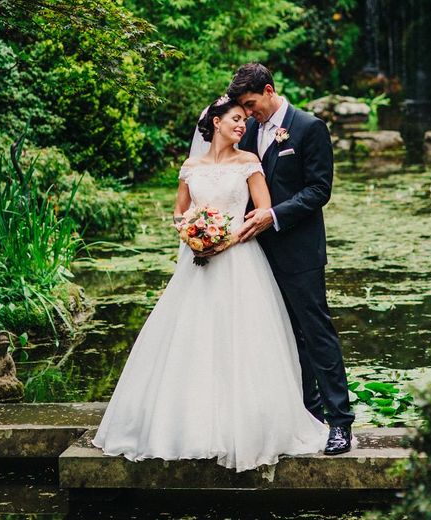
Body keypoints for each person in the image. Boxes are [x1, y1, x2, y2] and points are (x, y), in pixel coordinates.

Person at [92, 96, 328, 471]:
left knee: (241, 341)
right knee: (192, 339)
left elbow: (260, 214)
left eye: (244, 119)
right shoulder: (190, 167)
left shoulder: (249, 163)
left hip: (239, 261)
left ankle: (249, 427)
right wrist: (190, 232)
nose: (242, 125)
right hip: (197, 264)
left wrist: (223, 240)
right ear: (215, 123)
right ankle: (188, 425)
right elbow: (178, 211)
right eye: (235, 119)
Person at [227, 63, 354, 455]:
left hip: (299, 251)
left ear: (268, 90)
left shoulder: (309, 127)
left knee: (316, 335)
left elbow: (319, 189)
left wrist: (274, 214)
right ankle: (306, 416)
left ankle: (340, 423)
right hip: (257, 256)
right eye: (243, 108)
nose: (248, 114)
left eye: (251, 104)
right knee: (282, 337)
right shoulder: (247, 131)